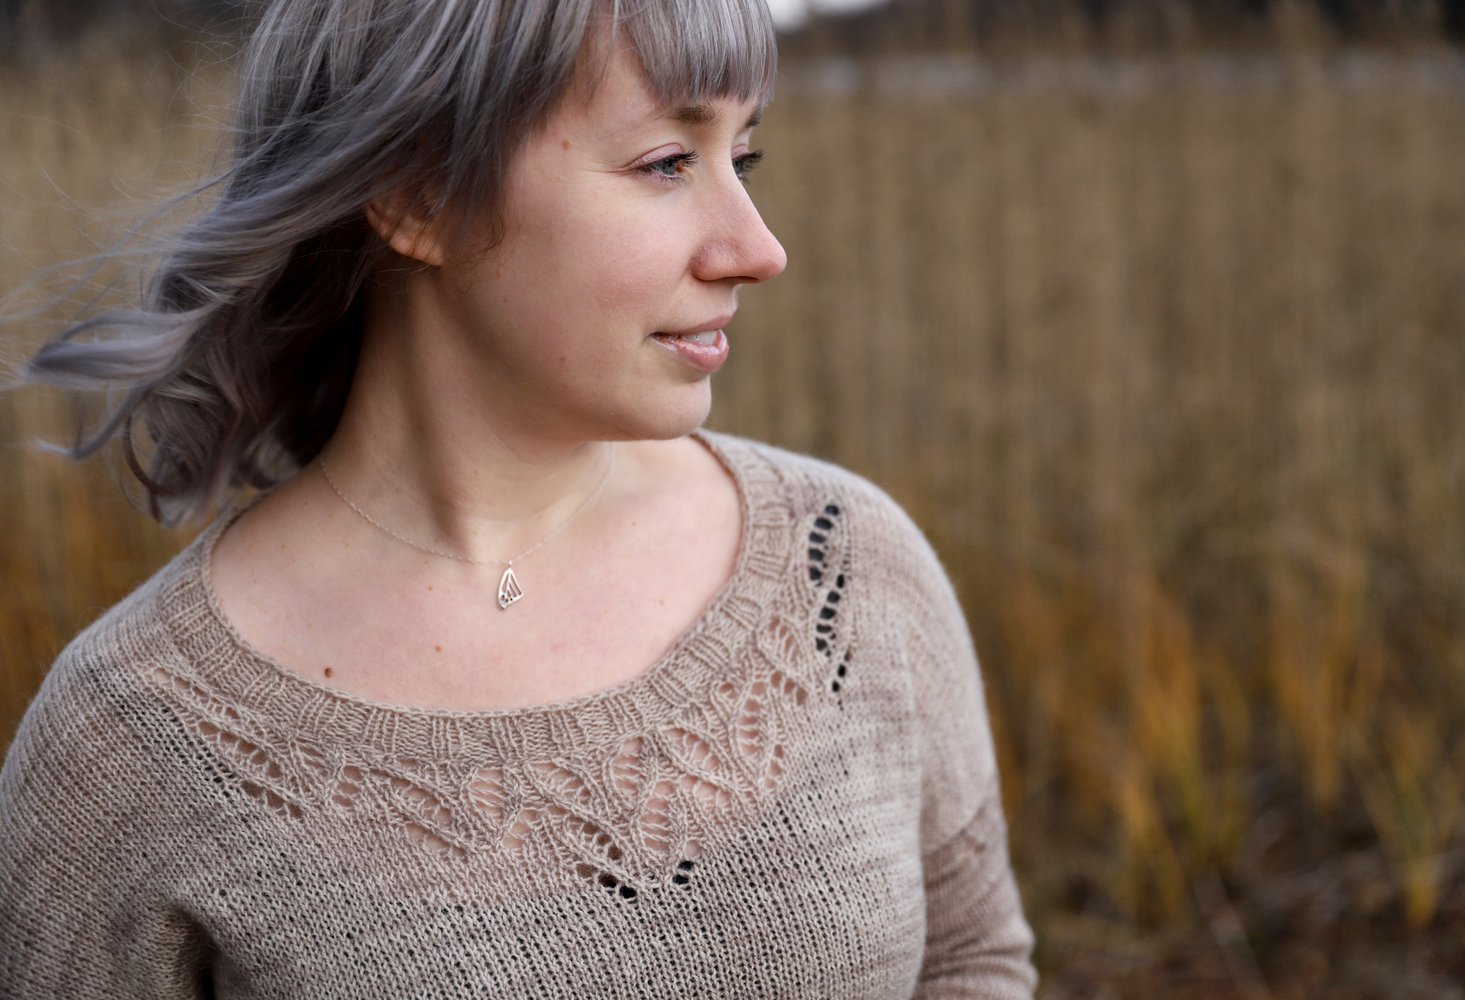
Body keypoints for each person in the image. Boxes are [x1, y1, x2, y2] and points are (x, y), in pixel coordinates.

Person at [0, 0, 1038, 995]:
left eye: (743, 157)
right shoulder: (134, 737)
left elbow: (971, 960)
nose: (759, 250)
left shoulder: (843, 568)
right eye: (668, 162)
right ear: (418, 196)